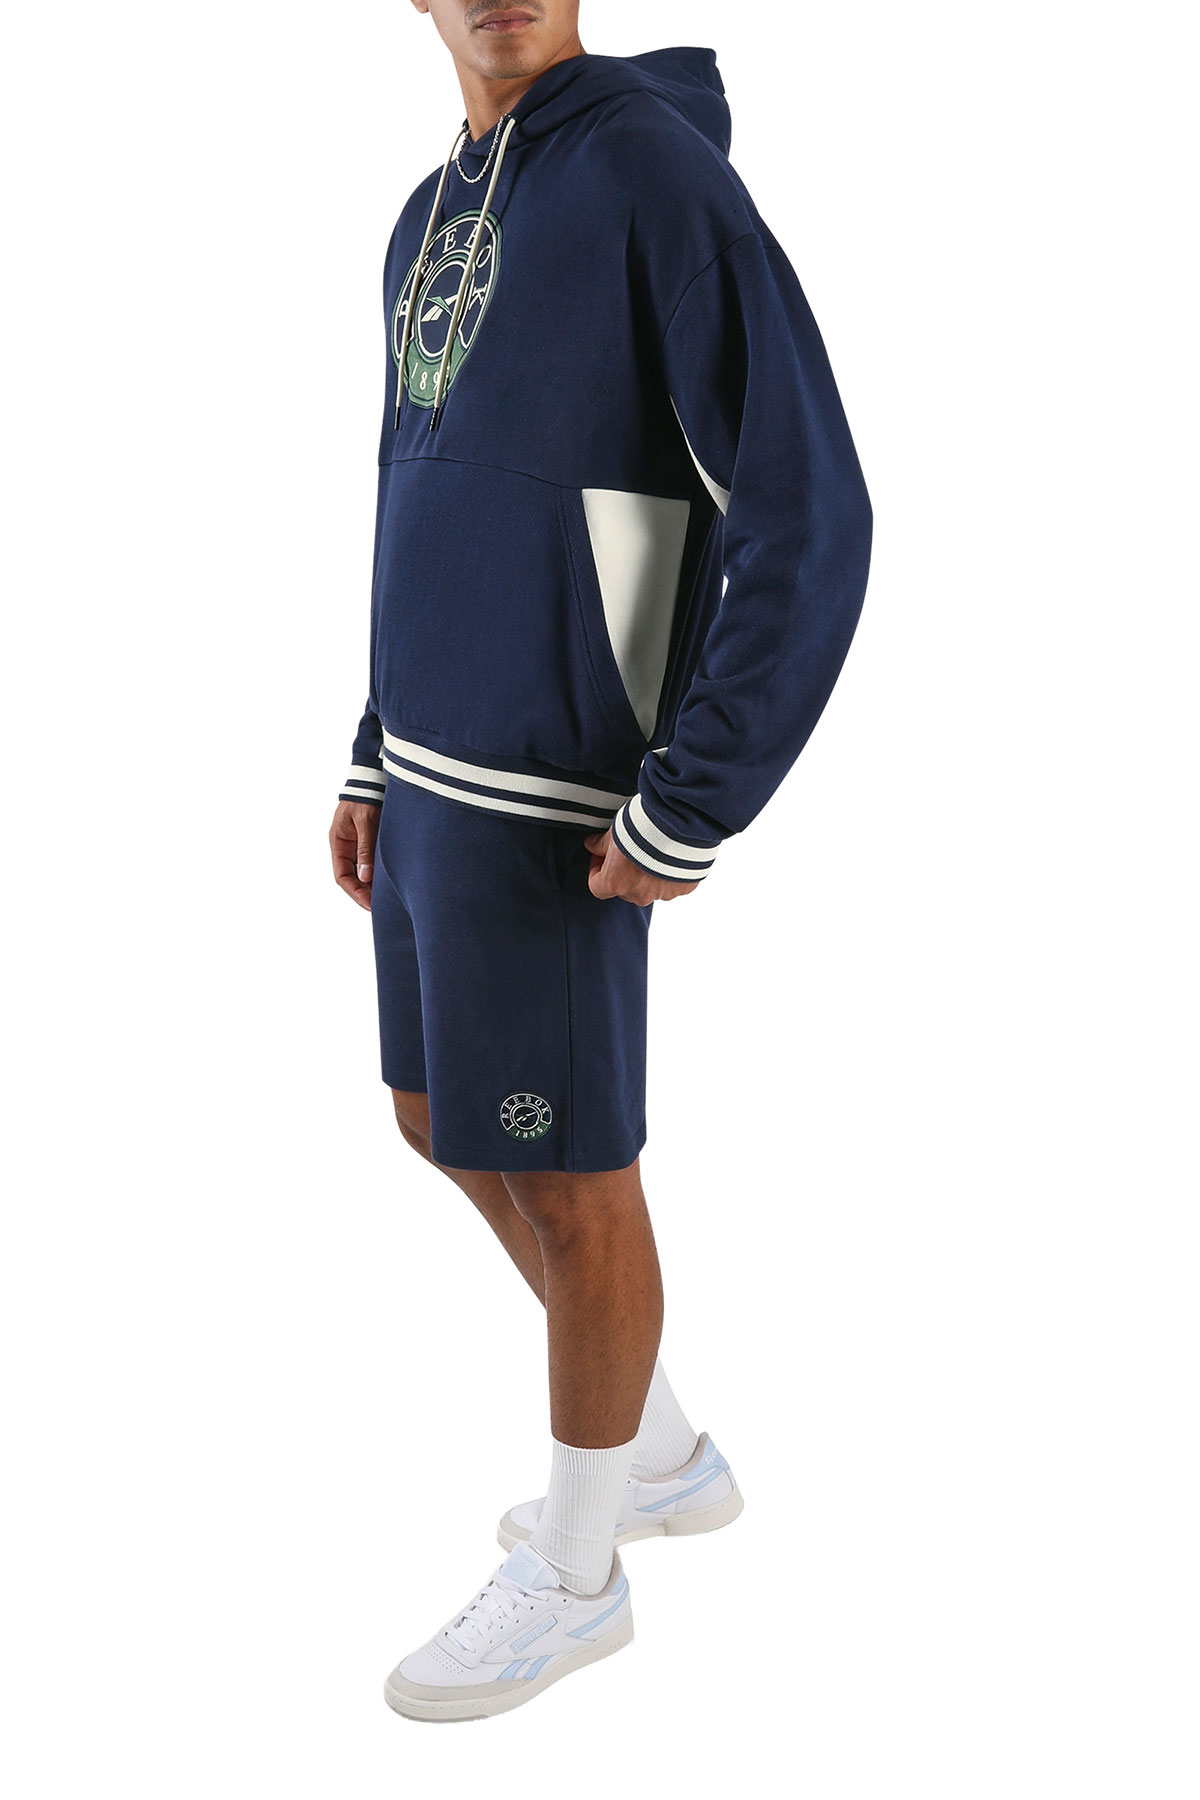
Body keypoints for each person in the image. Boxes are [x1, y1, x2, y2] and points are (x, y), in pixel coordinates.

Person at [328, 0, 871, 1723]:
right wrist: (371, 742)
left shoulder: (650, 171)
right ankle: (658, 1453)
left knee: (573, 1178)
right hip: (432, 767)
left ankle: (577, 1578)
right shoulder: (427, 213)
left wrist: (696, 794)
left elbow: (812, 504)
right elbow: (415, 484)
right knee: (439, 1120)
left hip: (553, 791)